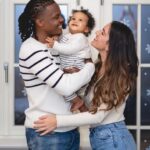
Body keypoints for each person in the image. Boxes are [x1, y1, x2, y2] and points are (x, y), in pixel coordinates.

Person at [34, 21, 138, 150]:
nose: (97, 32)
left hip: (114, 140)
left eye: (103, 32)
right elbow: (93, 105)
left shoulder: (120, 75)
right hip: (104, 136)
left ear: (111, 45)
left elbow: (98, 116)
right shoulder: (96, 67)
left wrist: (57, 121)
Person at [18, 0, 95, 149]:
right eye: (56, 17)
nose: (62, 20)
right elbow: (65, 87)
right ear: (40, 22)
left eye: (61, 15)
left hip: (69, 128)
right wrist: (90, 66)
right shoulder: (31, 49)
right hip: (48, 133)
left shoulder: (58, 44)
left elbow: (73, 66)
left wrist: (76, 72)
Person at [46, 9, 95, 111]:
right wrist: (56, 37)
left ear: (86, 29)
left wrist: (54, 44)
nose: (75, 21)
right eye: (73, 18)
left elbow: (69, 49)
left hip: (77, 69)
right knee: (63, 89)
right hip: (67, 70)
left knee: (64, 89)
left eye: (80, 20)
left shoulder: (81, 38)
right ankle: (79, 103)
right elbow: (60, 40)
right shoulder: (67, 36)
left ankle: (81, 104)